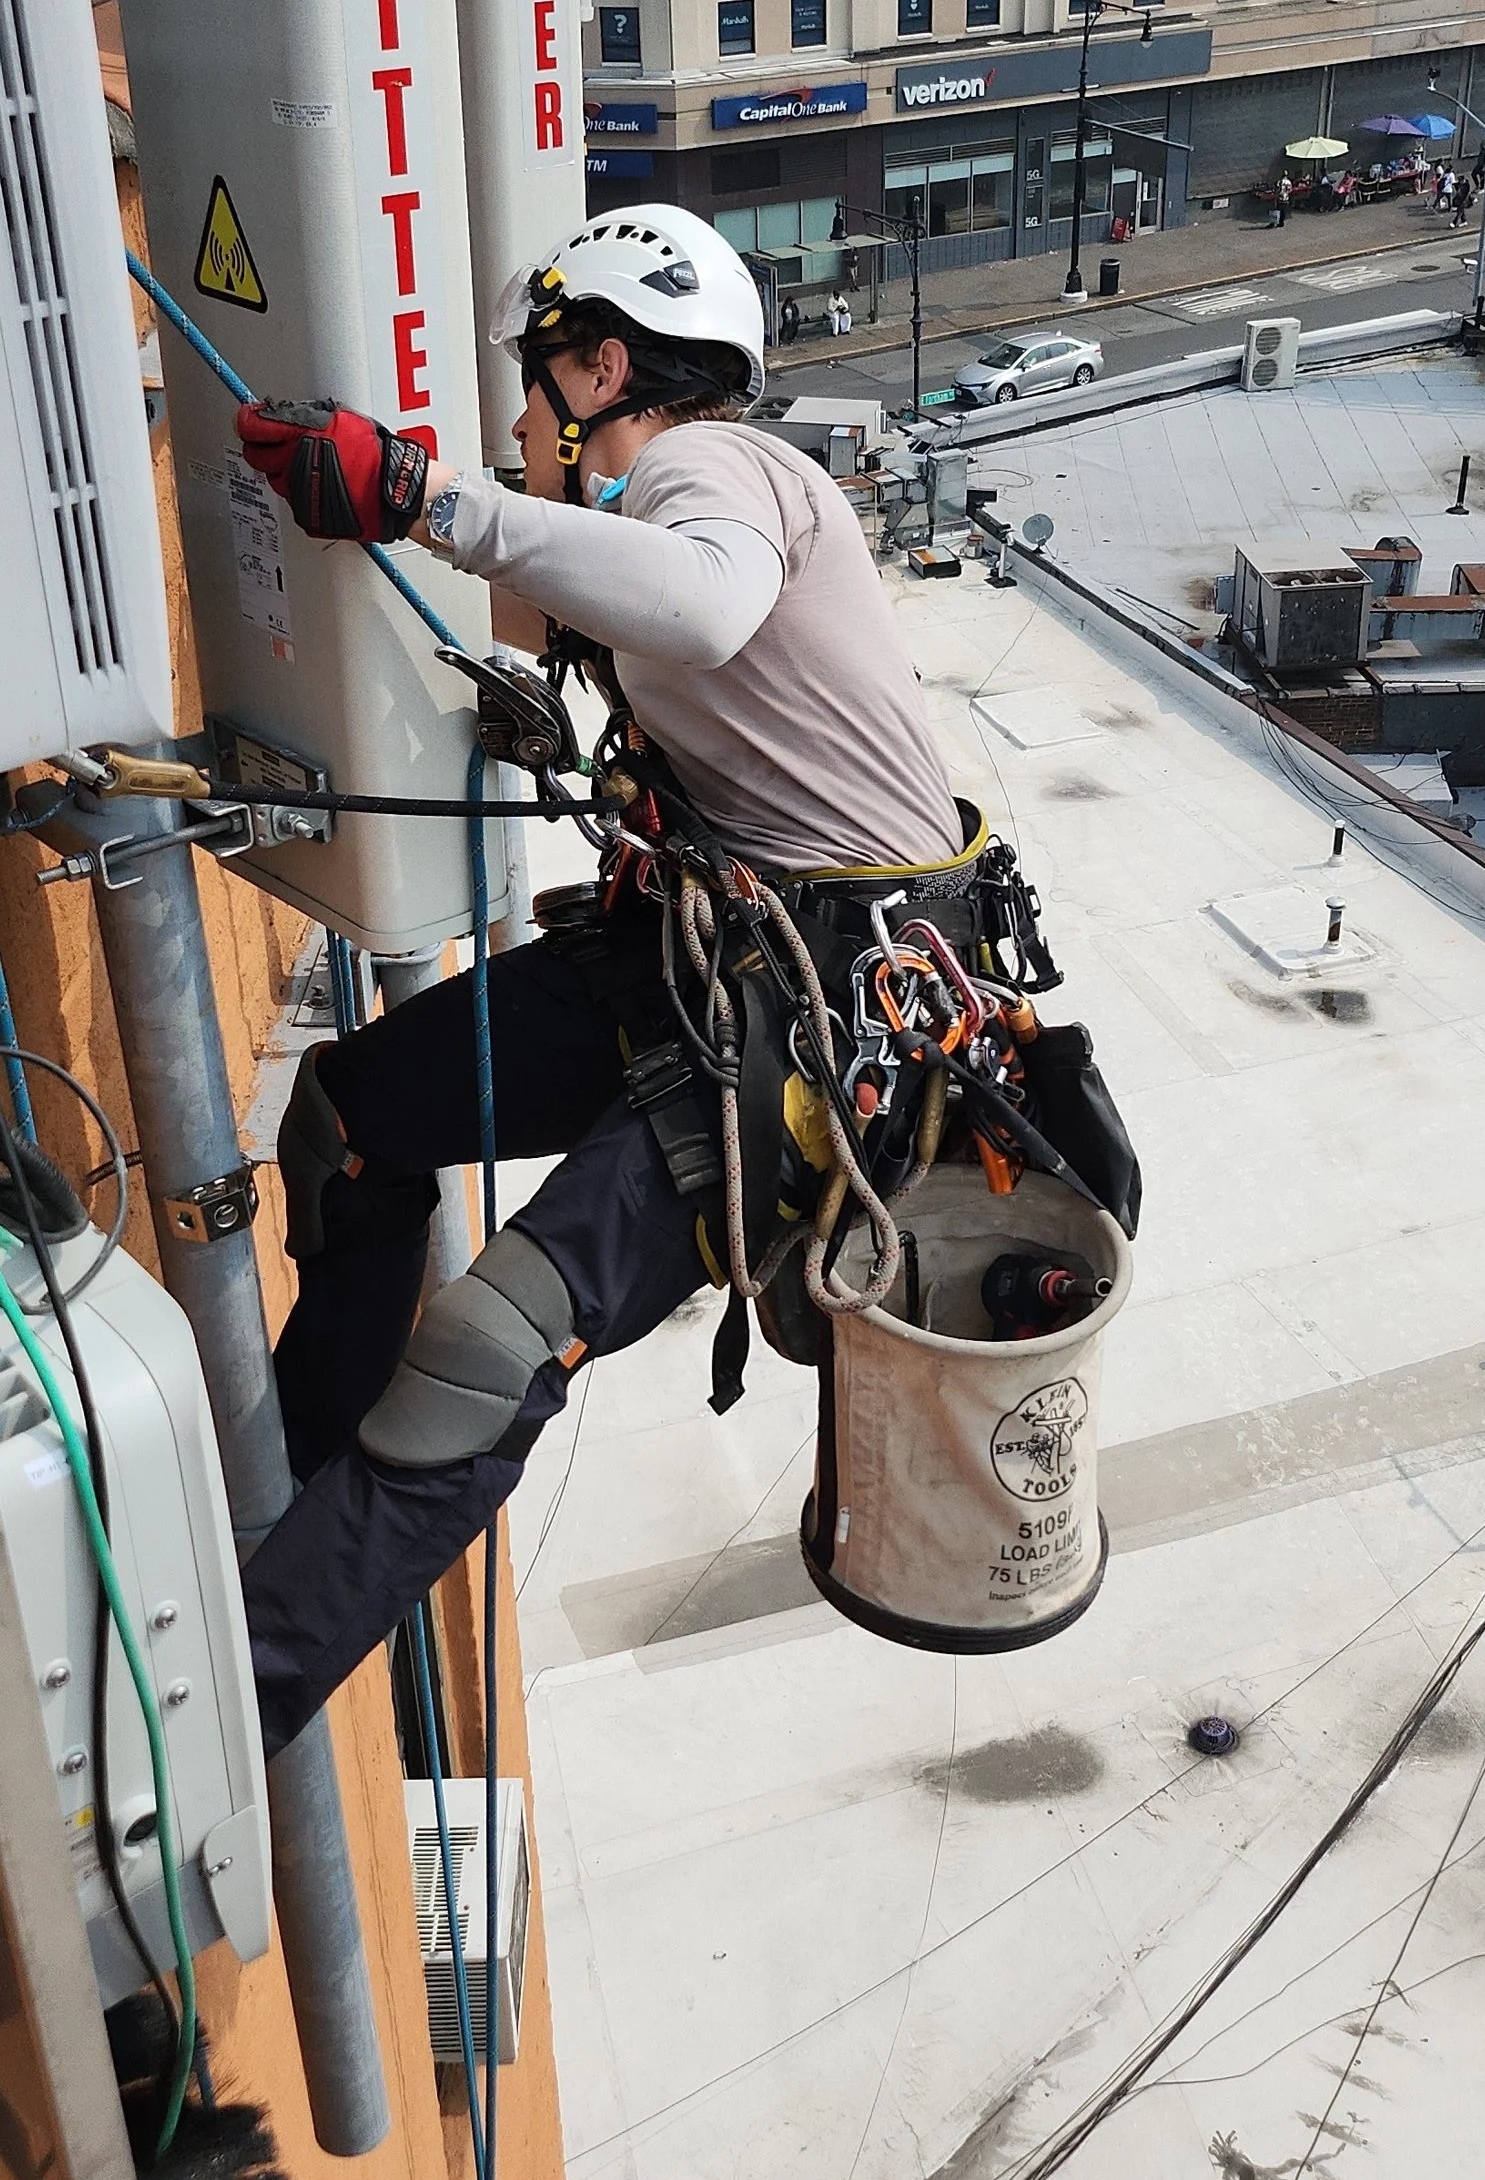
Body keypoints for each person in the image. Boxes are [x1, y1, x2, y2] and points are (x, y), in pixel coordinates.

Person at [227, 209, 968, 1752]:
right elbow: (692, 664)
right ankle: (301, 1492)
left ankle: (218, 1719)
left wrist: (435, 497)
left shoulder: (710, 465)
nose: (514, 422)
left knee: (491, 1349)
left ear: (600, 364)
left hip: (810, 1033)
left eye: (532, 383)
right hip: (707, 965)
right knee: (347, 1115)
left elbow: (701, 606)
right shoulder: (654, 507)